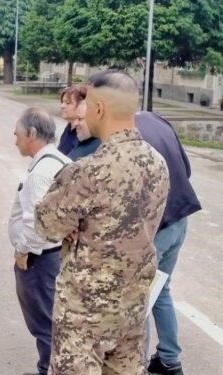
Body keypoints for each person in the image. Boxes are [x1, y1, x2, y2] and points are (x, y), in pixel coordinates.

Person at [34, 70, 170, 374]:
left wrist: (76, 227)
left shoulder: (86, 171)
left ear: (99, 109)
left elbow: (45, 225)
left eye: (87, 105)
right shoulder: (157, 163)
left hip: (85, 315)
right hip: (131, 309)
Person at [135, 111, 201, 375]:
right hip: (179, 219)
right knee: (160, 289)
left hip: (156, 227)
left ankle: (137, 365)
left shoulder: (122, 134)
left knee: (142, 296)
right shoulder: (157, 120)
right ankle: (169, 360)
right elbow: (187, 169)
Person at [8, 108, 71, 375]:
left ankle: (47, 369)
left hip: (39, 259)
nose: (15, 140)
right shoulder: (59, 161)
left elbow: (36, 222)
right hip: (54, 254)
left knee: (44, 323)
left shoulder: (40, 172)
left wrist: (23, 251)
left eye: (17, 134)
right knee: (51, 320)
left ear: (32, 134)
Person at [56, 85, 88, 155]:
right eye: (62, 102)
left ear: (82, 104)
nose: (62, 106)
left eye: (68, 103)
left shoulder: (84, 134)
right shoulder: (69, 127)